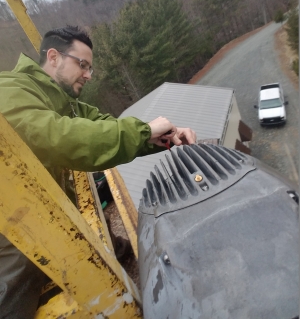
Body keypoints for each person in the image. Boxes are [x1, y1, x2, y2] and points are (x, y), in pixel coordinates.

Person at [0, 25, 197, 318]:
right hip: (9, 220)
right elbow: (59, 138)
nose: (89, 75)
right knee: (19, 267)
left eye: (90, 68)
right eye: (83, 65)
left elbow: (103, 125)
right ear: (53, 57)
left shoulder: (65, 101)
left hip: (43, 205)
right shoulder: (9, 89)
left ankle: (119, 253)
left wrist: (163, 135)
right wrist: (142, 131)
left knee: (83, 220)